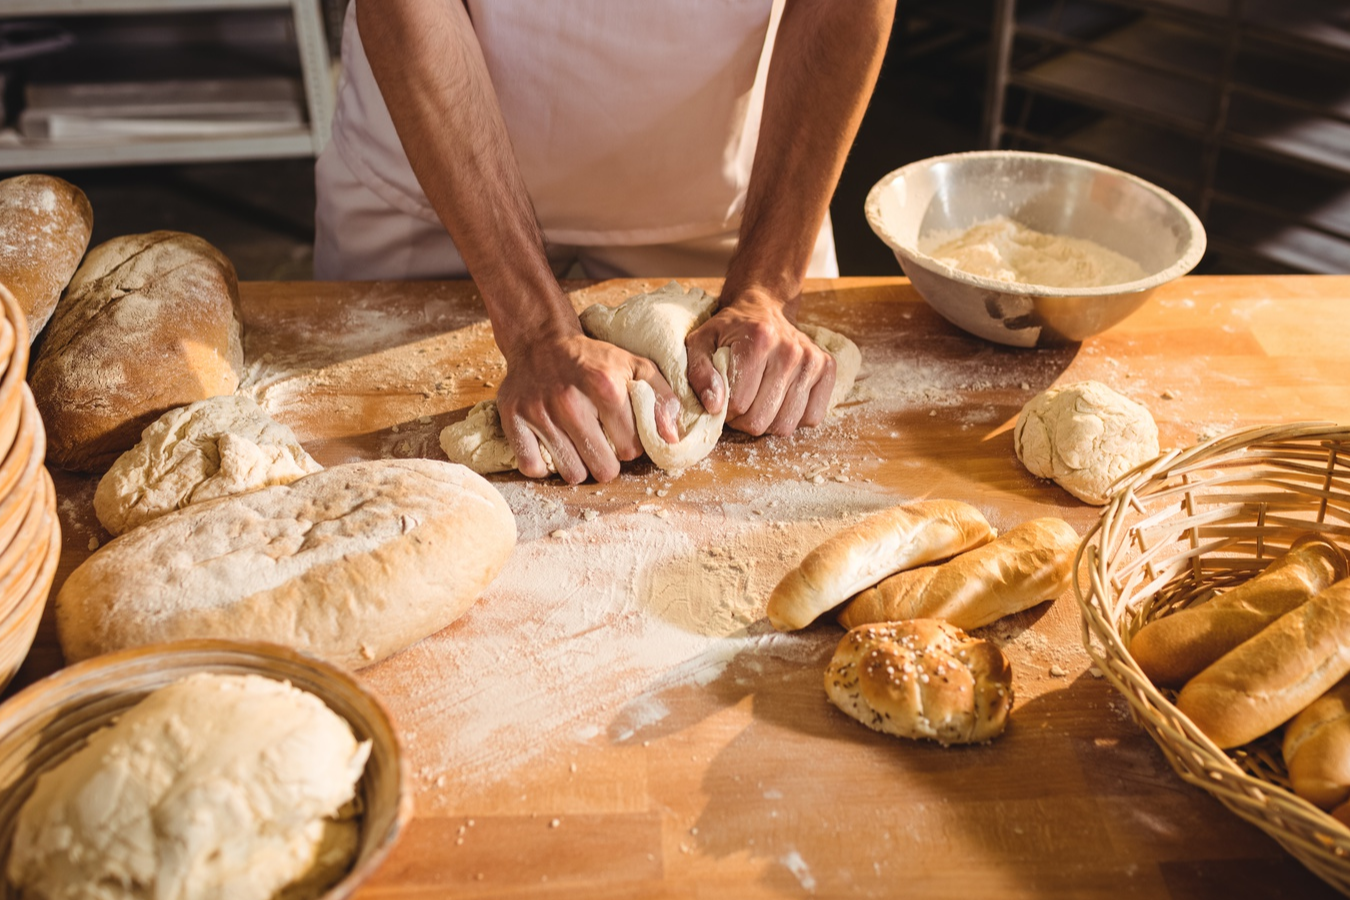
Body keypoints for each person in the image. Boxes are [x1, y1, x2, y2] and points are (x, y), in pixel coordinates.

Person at [315, 0, 895, 484]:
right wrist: (535, 329)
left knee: (764, 406)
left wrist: (767, 286)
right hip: (434, 181)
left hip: (726, 208)